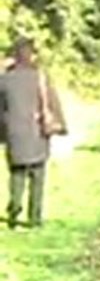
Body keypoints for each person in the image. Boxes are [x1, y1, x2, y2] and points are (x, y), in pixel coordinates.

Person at [0, 37, 67, 229]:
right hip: (37, 133)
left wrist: (2, 134)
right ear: (32, 55)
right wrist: (61, 126)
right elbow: (53, 103)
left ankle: (14, 207)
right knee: (38, 176)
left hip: (15, 135)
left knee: (17, 174)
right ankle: (34, 218)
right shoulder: (40, 77)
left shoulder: (4, 81)